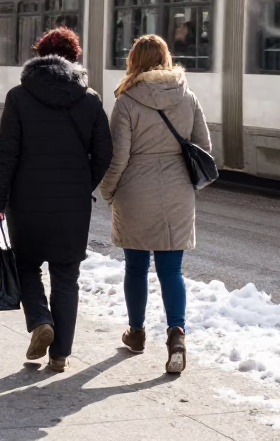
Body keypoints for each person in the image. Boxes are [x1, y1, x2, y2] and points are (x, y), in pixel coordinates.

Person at [0, 27, 112, 374]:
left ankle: (41, 319)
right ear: (74, 59)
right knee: (66, 276)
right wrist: (83, 183)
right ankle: (60, 355)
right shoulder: (90, 100)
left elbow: (6, 153)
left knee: (26, 266)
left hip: (26, 202)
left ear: (40, 56)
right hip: (72, 205)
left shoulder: (19, 97)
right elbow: (104, 152)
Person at [99, 34, 211, 375]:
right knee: (171, 270)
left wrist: (107, 190)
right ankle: (176, 335)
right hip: (177, 192)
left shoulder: (127, 100)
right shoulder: (186, 95)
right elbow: (203, 146)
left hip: (135, 192)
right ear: (166, 58)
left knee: (135, 268)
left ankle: (136, 333)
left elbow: (118, 157)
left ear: (134, 60)